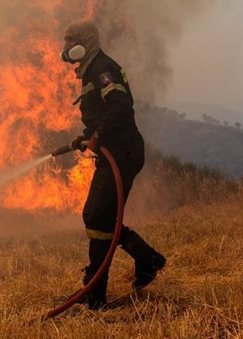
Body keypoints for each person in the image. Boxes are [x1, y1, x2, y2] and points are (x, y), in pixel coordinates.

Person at [61, 19, 166, 309]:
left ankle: (95, 294)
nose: (67, 47)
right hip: (117, 152)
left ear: (85, 42)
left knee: (97, 218)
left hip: (123, 153)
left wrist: (97, 135)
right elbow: (103, 114)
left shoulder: (102, 69)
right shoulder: (91, 69)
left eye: (71, 40)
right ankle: (147, 259)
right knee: (98, 218)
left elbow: (120, 108)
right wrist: (86, 136)